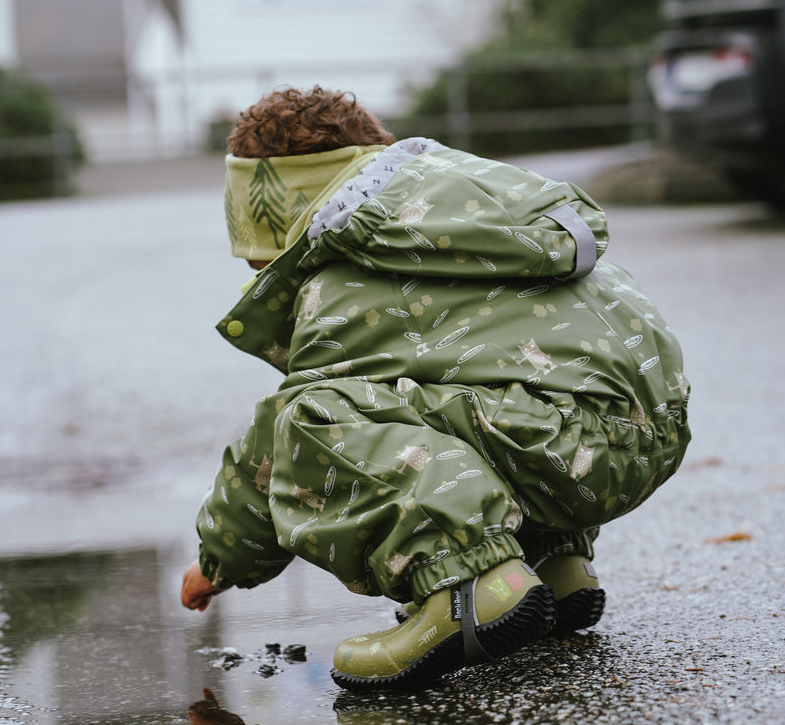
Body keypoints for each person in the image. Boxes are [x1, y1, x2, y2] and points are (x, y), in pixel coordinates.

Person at [181, 85, 691, 693]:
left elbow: (280, 438)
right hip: (650, 433)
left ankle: (467, 588)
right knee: (475, 386)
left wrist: (218, 560)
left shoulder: (348, 273)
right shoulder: (472, 214)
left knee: (316, 417)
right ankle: (556, 567)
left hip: (559, 445)